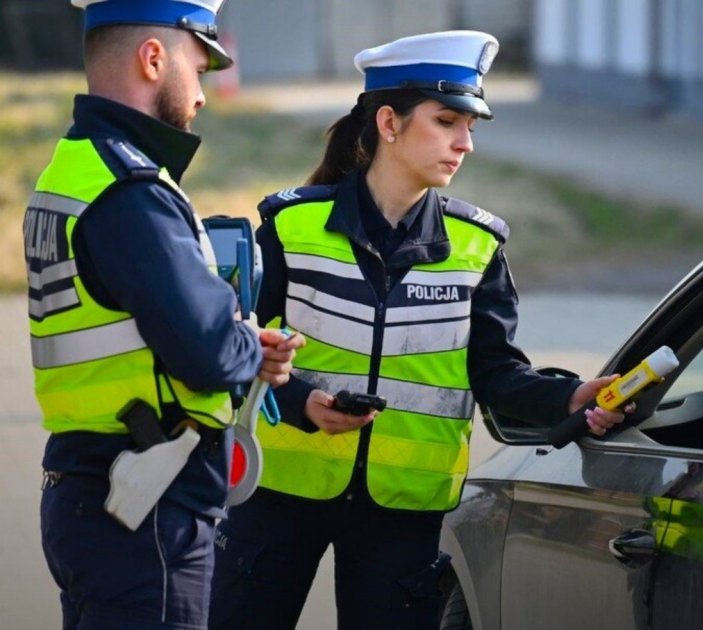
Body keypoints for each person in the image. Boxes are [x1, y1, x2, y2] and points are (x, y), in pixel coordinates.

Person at [208, 31, 628, 629]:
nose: (465, 144)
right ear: (389, 122)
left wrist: (569, 394)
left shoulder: (478, 245)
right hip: (279, 497)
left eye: (472, 127)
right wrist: (305, 402)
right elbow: (241, 351)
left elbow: (495, 373)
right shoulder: (289, 226)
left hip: (407, 513)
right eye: (448, 121)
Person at [25, 1, 304, 628]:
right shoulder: (131, 190)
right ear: (154, 58)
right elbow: (205, 351)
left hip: (97, 491)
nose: (202, 95)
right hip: (144, 512)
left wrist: (234, 338)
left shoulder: (73, 169)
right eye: (198, 69)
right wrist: (249, 345)